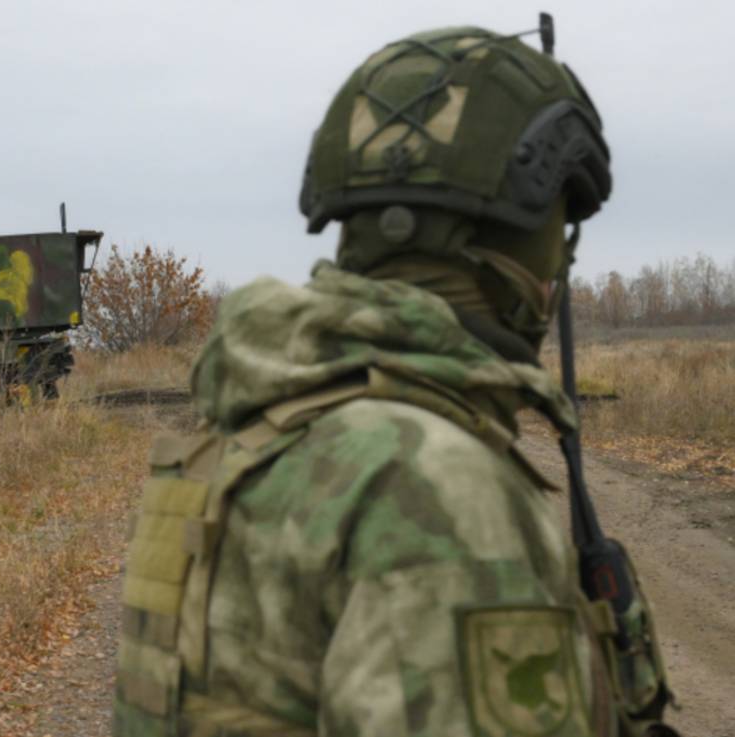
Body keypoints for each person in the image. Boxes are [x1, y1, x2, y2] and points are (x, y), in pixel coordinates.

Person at [113, 22, 678, 737]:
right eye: (557, 228)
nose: (560, 266)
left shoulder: (244, 435)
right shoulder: (428, 479)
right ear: (512, 232)